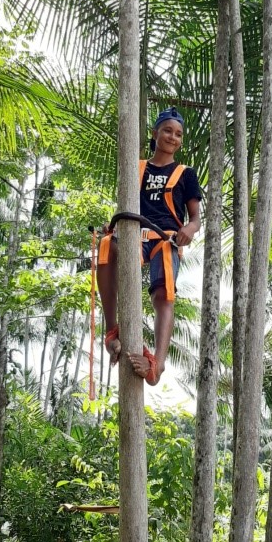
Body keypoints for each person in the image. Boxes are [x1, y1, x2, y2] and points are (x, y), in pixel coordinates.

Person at [97, 107, 202, 385]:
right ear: (155, 133)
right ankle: (112, 332)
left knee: (163, 293)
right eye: (167, 130)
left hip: (165, 238)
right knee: (107, 247)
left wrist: (189, 229)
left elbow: (196, 218)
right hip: (134, 231)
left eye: (178, 134)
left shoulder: (186, 174)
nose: (173, 137)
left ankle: (158, 363)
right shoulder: (137, 167)